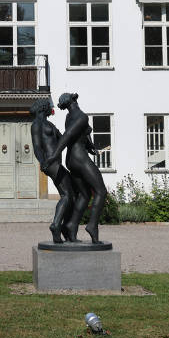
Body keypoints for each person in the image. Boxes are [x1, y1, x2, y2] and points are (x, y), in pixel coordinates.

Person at [50, 92, 109, 244]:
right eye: (74, 97)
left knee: (84, 194)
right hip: (79, 158)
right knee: (101, 191)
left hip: (72, 159)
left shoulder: (70, 117)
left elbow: (83, 133)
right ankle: (92, 226)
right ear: (72, 100)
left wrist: (91, 148)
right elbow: (68, 136)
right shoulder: (82, 116)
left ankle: (71, 225)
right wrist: (55, 155)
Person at [29, 98, 80, 243]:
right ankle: (56, 225)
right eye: (49, 106)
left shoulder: (49, 124)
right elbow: (37, 147)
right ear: (42, 108)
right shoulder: (36, 125)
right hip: (50, 164)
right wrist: (42, 161)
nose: (51, 109)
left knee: (73, 194)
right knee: (66, 195)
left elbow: (64, 138)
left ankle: (65, 226)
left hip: (56, 162)